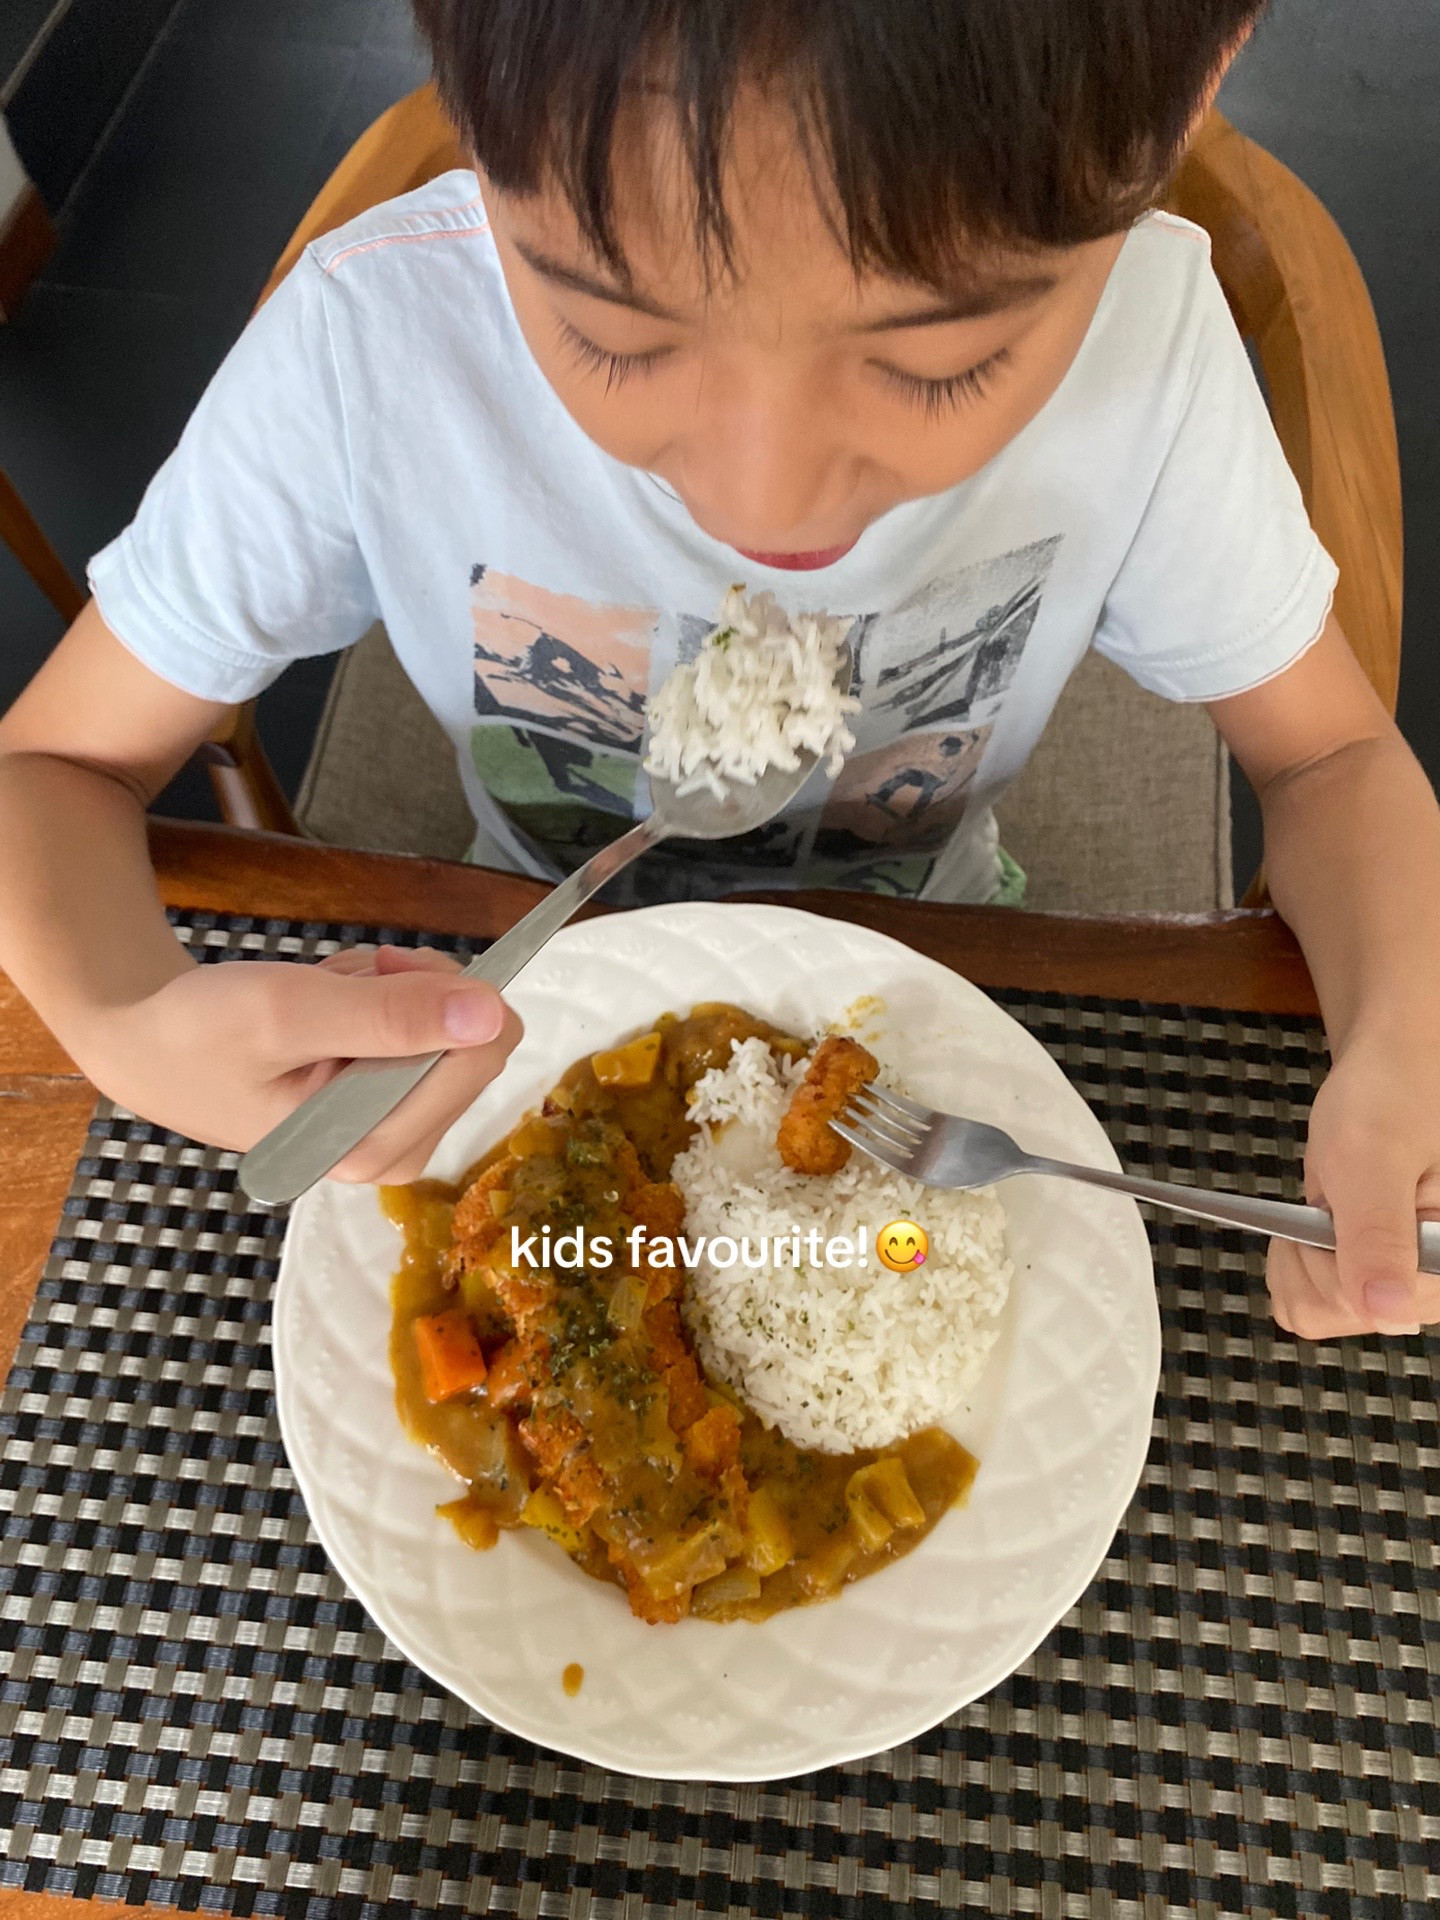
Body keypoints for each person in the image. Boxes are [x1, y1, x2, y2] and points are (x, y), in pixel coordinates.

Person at [1, 1, 1437, 1344]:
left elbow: (1332, 757)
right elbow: (48, 767)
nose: (767, 504)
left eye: (938, 362)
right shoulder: (371, 340)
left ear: (1199, 80)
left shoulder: (1151, 348)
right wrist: (123, 1014)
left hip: (942, 951)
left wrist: (1403, 1037)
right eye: (614, 336)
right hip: (529, 963)